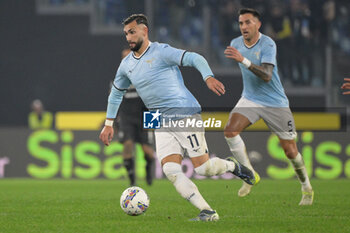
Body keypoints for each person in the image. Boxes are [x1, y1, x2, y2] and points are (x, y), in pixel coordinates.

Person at [99, 14, 259, 222]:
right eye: (126, 33)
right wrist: (108, 124)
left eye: (132, 31)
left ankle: (233, 166)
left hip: (183, 111)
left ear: (144, 31)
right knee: (170, 169)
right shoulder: (126, 64)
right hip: (157, 117)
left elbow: (195, 58)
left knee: (203, 168)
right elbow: (116, 93)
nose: (128, 37)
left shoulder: (161, 51)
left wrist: (208, 76)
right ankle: (207, 212)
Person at [224, 8, 313, 205]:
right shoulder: (236, 43)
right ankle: (249, 176)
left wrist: (244, 60)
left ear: (258, 25)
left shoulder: (268, 43)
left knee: (290, 151)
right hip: (250, 99)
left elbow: (266, 76)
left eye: (248, 22)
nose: (244, 27)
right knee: (230, 131)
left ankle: (306, 186)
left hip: (275, 103)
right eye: (240, 23)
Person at [115, 48, 155, 186]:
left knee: (148, 151)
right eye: (124, 58)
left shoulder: (146, 76)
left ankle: (148, 168)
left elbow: (154, 98)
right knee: (128, 145)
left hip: (144, 116)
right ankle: (132, 180)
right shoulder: (118, 78)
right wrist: (111, 120)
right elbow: (114, 100)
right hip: (126, 118)